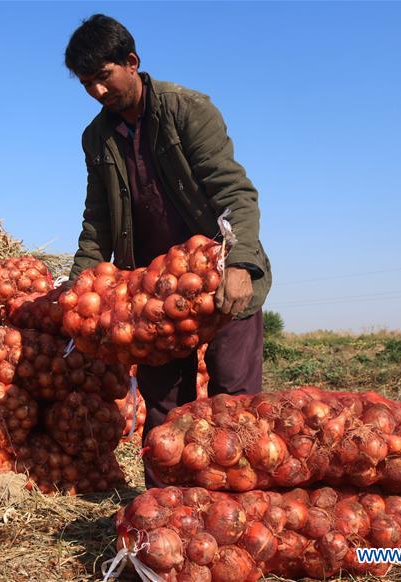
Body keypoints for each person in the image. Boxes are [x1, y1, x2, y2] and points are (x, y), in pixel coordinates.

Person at [64, 14, 272, 487]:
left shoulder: (187, 109)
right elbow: (96, 219)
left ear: (131, 62)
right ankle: (164, 506)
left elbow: (235, 192)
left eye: (103, 77)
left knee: (234, 395)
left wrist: (241, 262)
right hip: (151, 294)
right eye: (86, 84)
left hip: (216, 275)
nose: (97, 92)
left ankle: (233, 501)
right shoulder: (96, 138)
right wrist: (79, 286)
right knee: (163, 405)